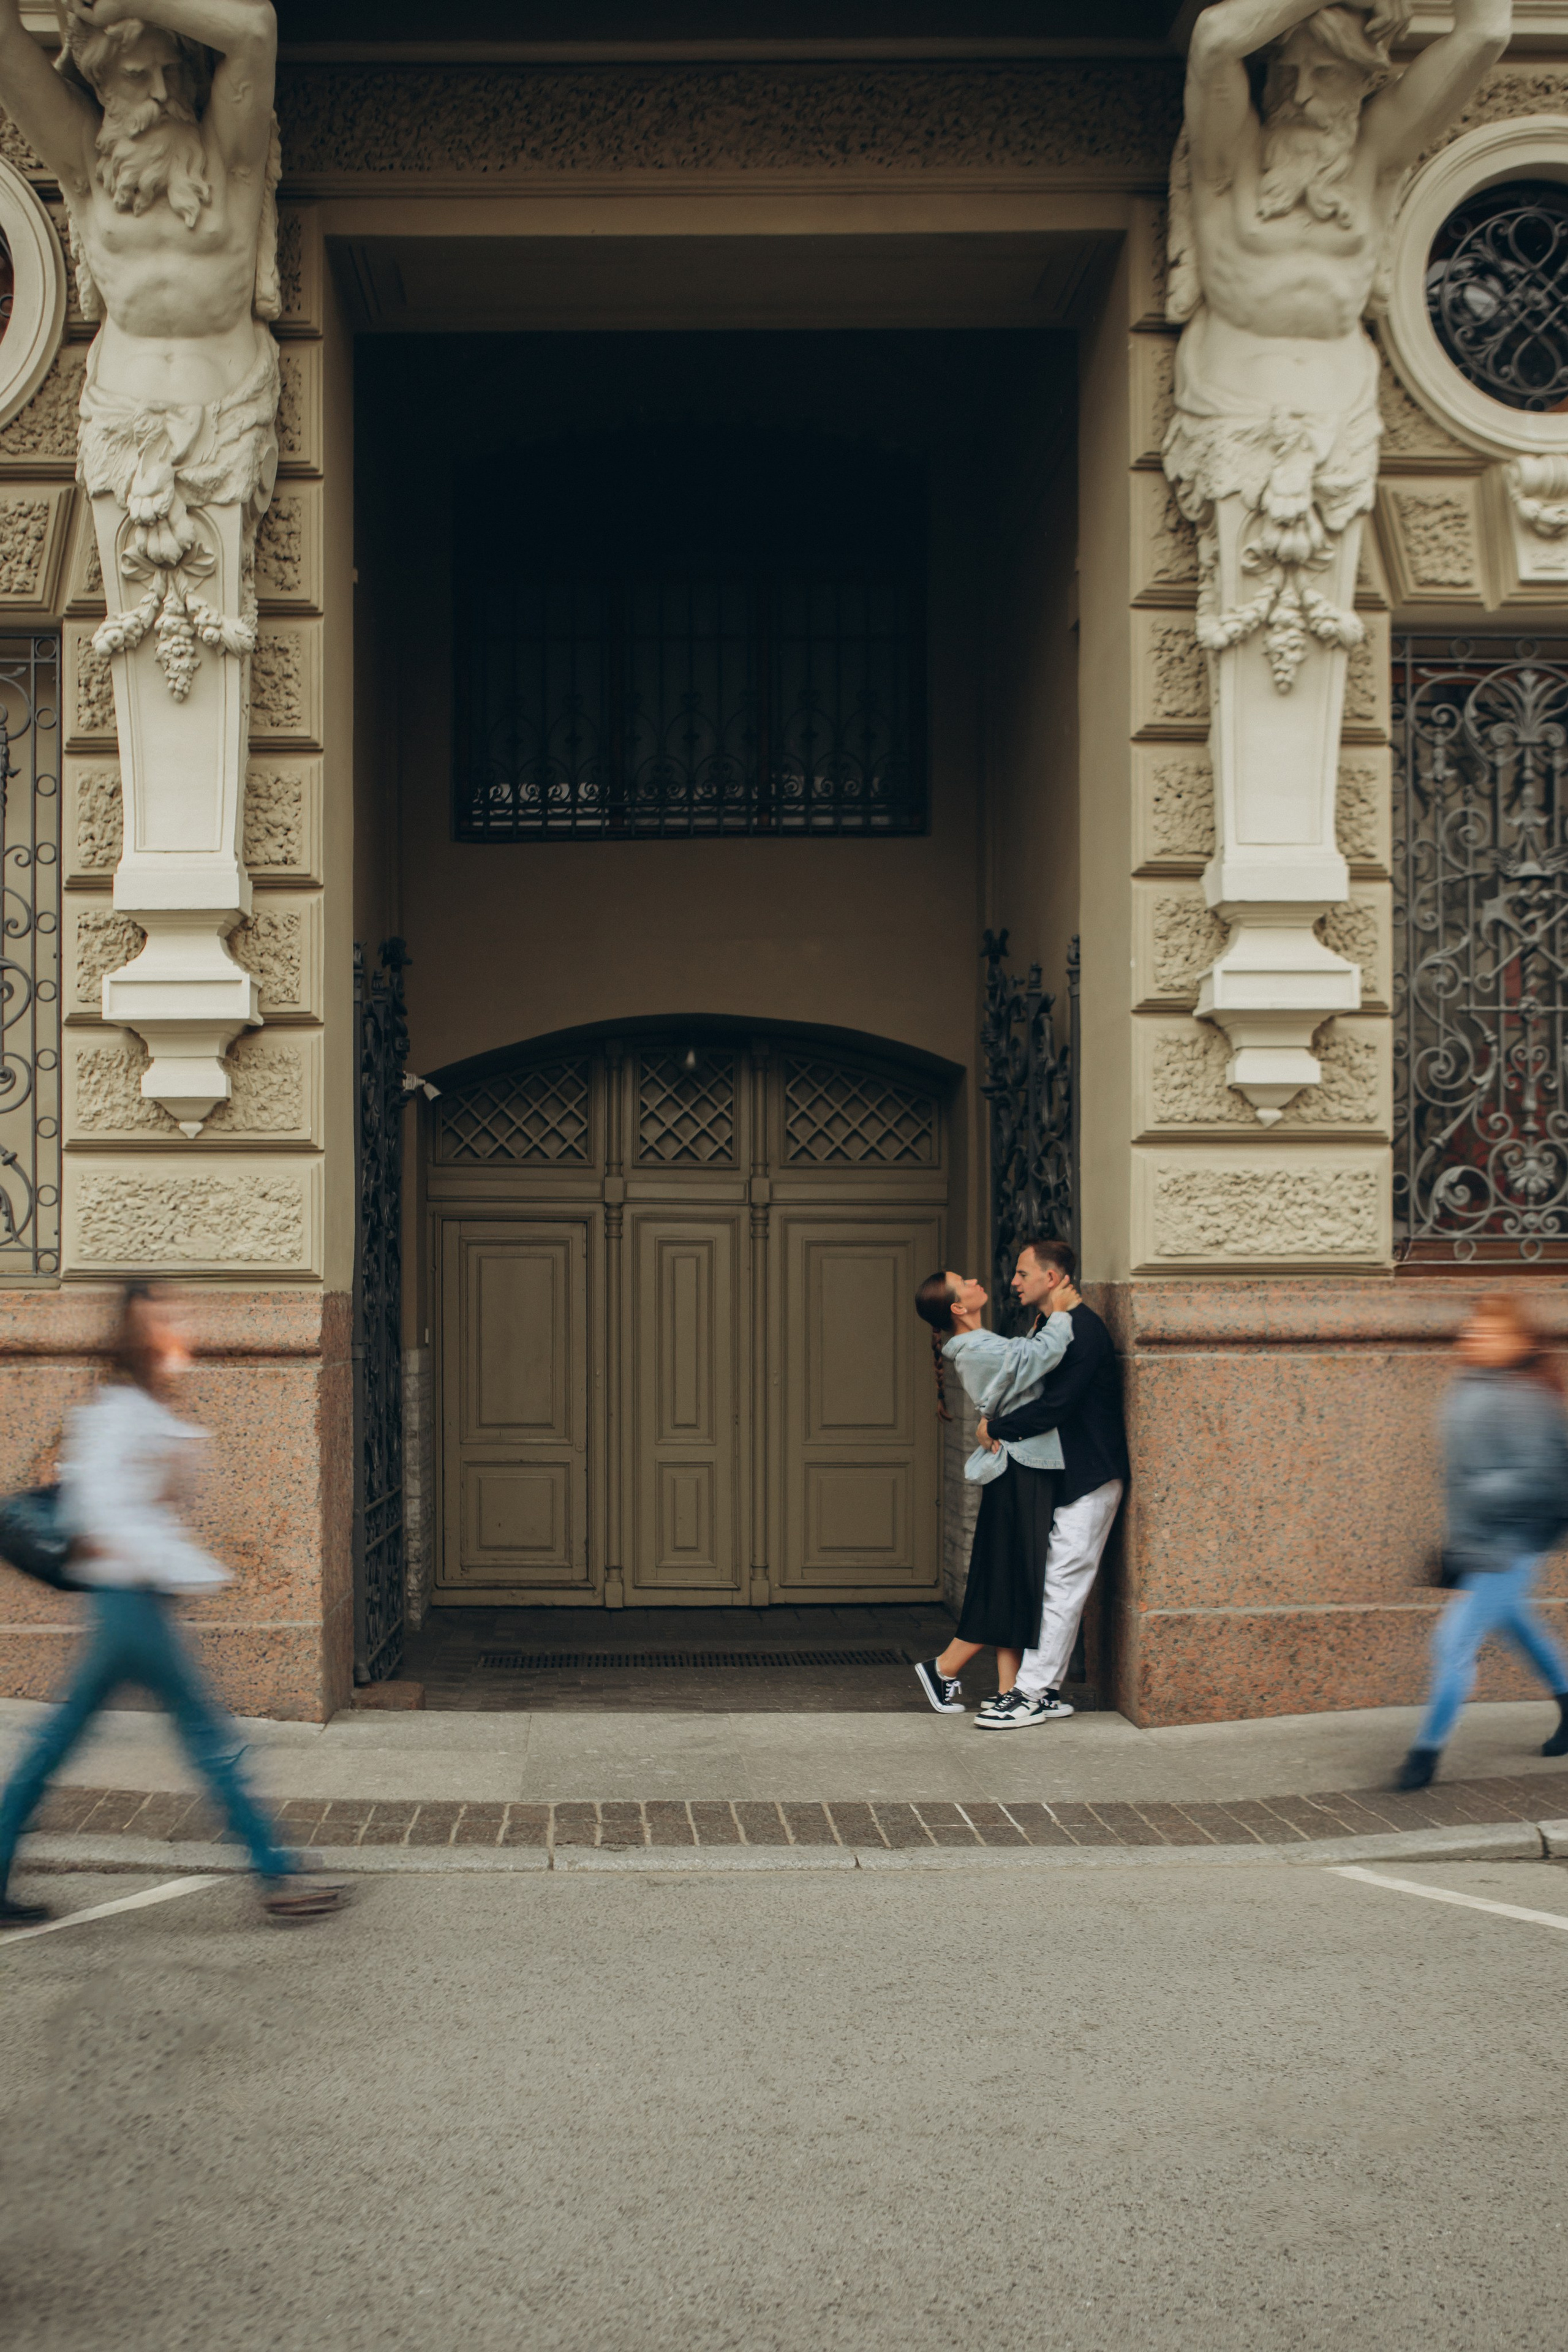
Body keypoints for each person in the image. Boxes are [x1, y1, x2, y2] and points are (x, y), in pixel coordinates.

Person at [0, 1284, 342, 1928]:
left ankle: (275, 1871)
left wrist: (173, 1453)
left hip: (134, 1604)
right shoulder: (115, 1412)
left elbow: (161, 1498)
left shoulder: (147, 1407)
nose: (178, 1323)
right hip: (130, 1602)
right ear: (137, 1334)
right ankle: (275, 1875)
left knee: (59, 1744)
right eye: (164, 1317)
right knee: (210, 1740)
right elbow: (95, 1511)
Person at [1395, 1291, 1568, 1793]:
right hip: (1479, 1536)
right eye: (1473, 1329)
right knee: (1518, 1624)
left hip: (1513, 1540)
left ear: (1516, 1342)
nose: (1474, 1337)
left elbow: (1543, 1476)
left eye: (1489, 1332)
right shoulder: (1470, 1384)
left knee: (1452, 1642)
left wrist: (1481, 1490)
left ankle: (1424, 1755)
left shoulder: (1524, 1397)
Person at [971, 1239, 1129, 1730]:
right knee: (1057, 1583)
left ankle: (1032, 1693)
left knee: (1063, 1583)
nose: (1014, 1282)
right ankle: (1046, 1691)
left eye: (1023, 1273)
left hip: (1092, 1475)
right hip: (1068, 1475)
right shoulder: (1048, 1327)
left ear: (1053, 1277)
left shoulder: (1084, 1331)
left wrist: (995, 1428)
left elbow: (1057, 1405)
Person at [910, 1270, 1073, 1714]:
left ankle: (1008, 1688)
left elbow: (1022, 1362)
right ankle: (944, 1667)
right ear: (958, 1308)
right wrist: (1059, 1315)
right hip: (1019, 1469)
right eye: (963, 1281)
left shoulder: (983, 1343)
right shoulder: (975, 1350)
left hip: (1022, 1465)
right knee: (1011, 1578)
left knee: (1011, 1577)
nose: (975, 1278)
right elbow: (1039, 1359)